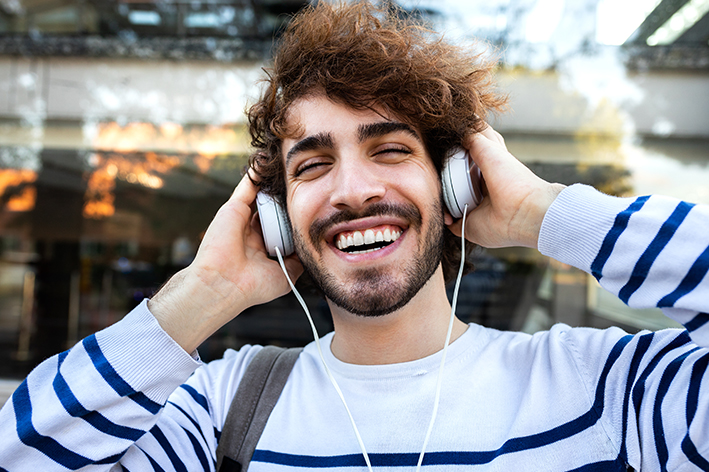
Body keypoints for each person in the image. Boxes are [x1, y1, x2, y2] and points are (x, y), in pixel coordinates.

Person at [1, 2, 708, 471]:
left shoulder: (605, 390)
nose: (351, 190)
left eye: (390, 150)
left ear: (455, 185)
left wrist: (545, 214)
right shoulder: (219, 412)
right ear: (278, 220)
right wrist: (203, 294)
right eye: (312, 164)